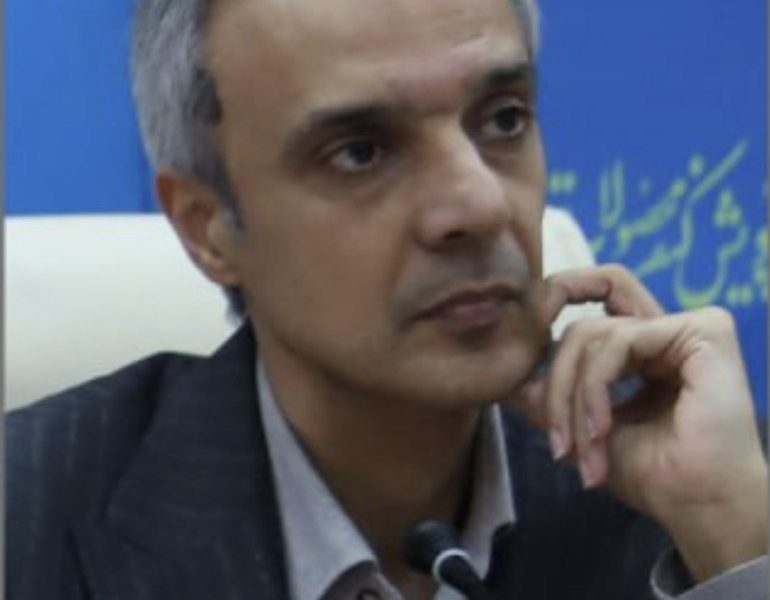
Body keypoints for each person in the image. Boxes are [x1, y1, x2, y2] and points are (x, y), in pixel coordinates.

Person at [7, 0, 768, 599]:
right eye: (361, 152)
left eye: (504, 120)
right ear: (208, 227)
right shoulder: (27, 520)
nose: (478, 204)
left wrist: (731, 539)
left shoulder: (701, 489)